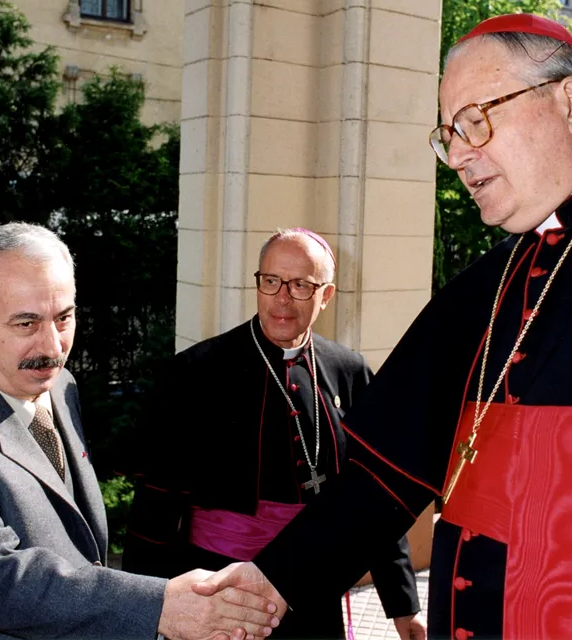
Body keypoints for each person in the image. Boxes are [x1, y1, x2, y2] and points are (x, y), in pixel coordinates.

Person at [193, 14, 572, 639]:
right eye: (448, 135)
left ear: (571, 103)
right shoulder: (482, 288)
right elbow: (385, 480)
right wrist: (272, 581)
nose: (457, 156)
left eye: (476, 120)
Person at [0, 222, 280, 639]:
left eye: (63, 318)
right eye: (26, 324)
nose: (53, 347)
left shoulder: (58, 385)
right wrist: (161, 607)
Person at [122, 228, 425, 640]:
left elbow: (373, 495)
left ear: (326, 295)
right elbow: (154, 507)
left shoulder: (349, 371)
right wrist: (143, 611)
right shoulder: (195, 372)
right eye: (271, 281)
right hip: (220, 591)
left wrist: (403, 604)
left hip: (313, 588)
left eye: (300, 285)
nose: (282, 298)